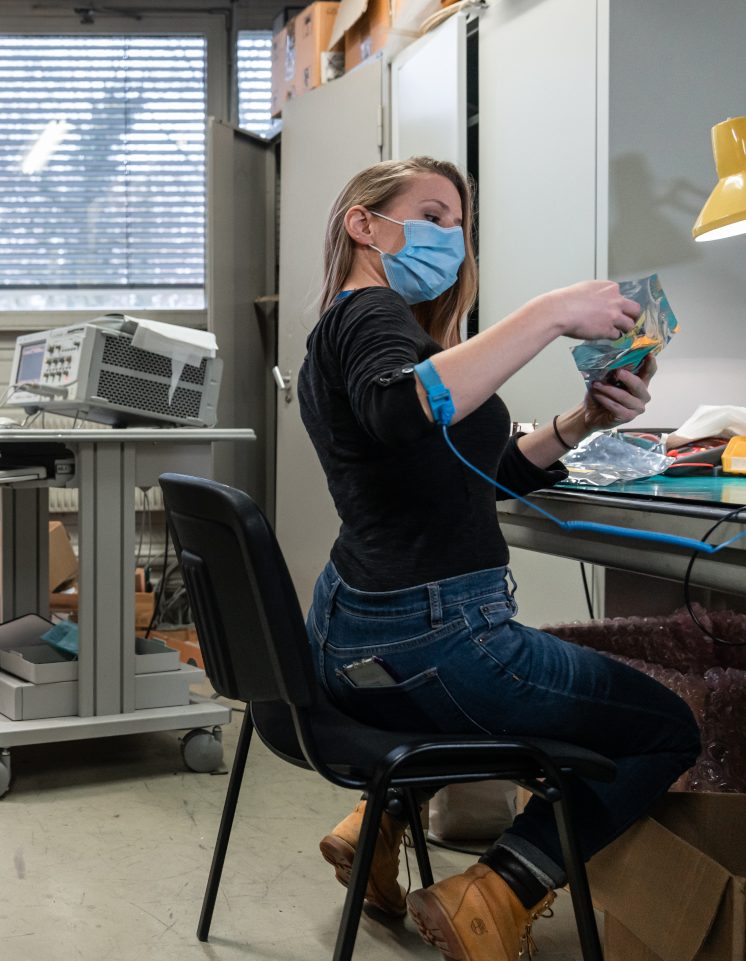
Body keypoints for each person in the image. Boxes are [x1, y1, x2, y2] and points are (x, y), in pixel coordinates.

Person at [295, 157, 701, 961]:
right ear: (364, 224)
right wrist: (552, 312)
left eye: (459, 225)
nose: (452, 238)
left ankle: (374, 826)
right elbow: (398, 406)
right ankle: (500, 886)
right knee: (666, 729)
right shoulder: (369, 316)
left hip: (354, 640)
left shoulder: (374, 332)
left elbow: (489, 472)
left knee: (481, 695)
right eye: (435, 216)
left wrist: (583, 419)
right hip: (434, 643)